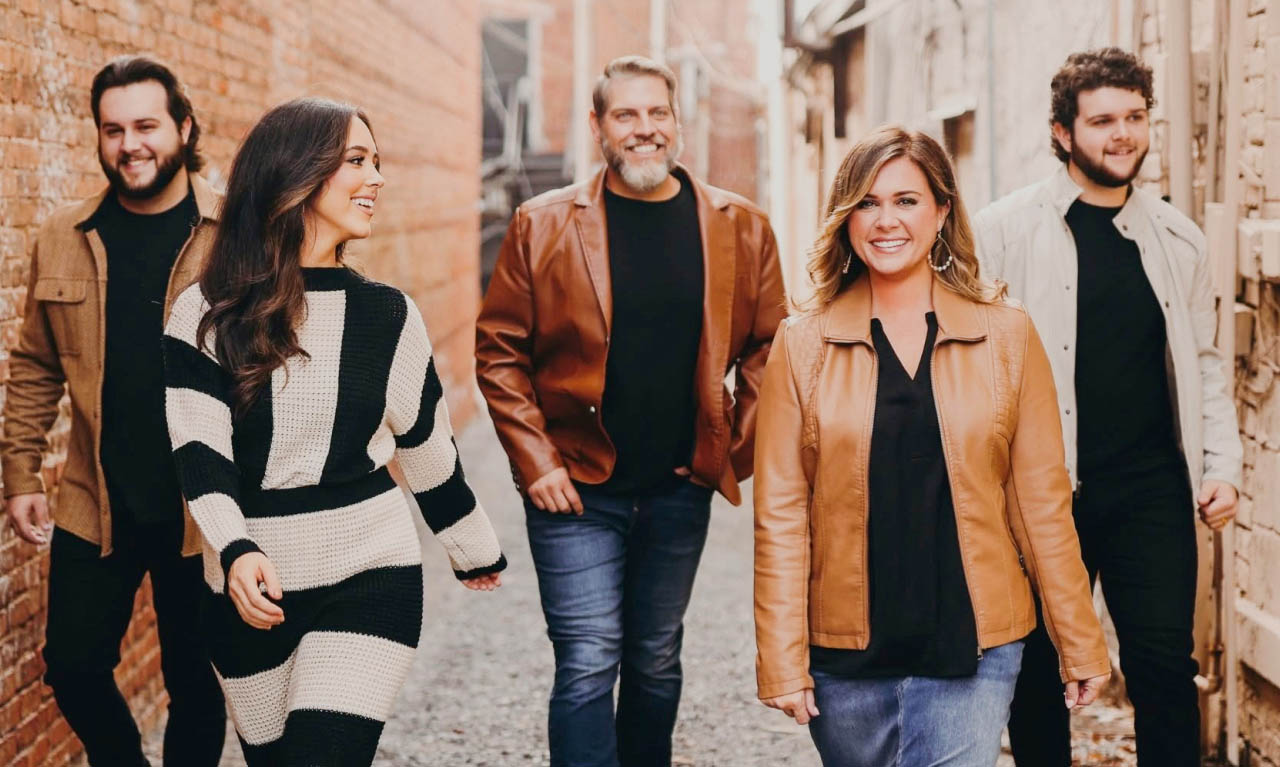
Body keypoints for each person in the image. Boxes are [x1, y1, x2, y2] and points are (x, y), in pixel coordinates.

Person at [161, 97, 506, 766]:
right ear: (296, 171)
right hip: (250, 589)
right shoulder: (206, 312)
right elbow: (199, 452)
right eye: (357, 160)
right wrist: (235, 549)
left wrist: (472, 547)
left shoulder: (389, 316)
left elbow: (426, 443)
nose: (376, 177)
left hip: (370, 571)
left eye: (377, 161)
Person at [753, 126, 1110, 766]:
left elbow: (1042, 506)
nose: (885, 220)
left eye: (906, 200)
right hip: (844, 658)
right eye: (867, 202)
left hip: (973, 648)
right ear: (845, 218)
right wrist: (783, 659)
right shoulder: (801, 345)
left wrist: (1078, 641)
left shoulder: (1007, 336)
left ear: (942, 211)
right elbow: (781, 515)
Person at [476, 55, 786, 767]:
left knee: (654, 656)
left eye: (657, 113)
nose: (644, 128)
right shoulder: (542, 224)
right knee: (589, 657)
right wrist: (537, 463)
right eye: (626, 114)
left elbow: (772, 346)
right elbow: (499, 352)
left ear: (677, 121)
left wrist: (726, 452)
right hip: (575, 491)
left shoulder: (740, 226)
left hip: (678, 491)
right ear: (598, 127)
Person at [973, 48, 1243, 767]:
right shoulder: (1001, 232)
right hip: (1042, 490)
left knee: (1163, 669)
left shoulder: (1179, 239)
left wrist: (1222, 465)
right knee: (1038, 672)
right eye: (1101, 121)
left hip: (1152, 489)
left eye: (1134, 116)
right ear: (1063, 132)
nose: (1122, 134)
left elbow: (1205, 361)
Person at [1, 55, 226, 766]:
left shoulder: (234, 235)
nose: (130, 145)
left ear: (184, 127)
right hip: (96, 500)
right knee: (71, 666)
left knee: (196, 682)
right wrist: (20, 473)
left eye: (146, 126)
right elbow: (36, 364)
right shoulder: (62, 235)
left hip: (203, 507)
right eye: (113, 129)